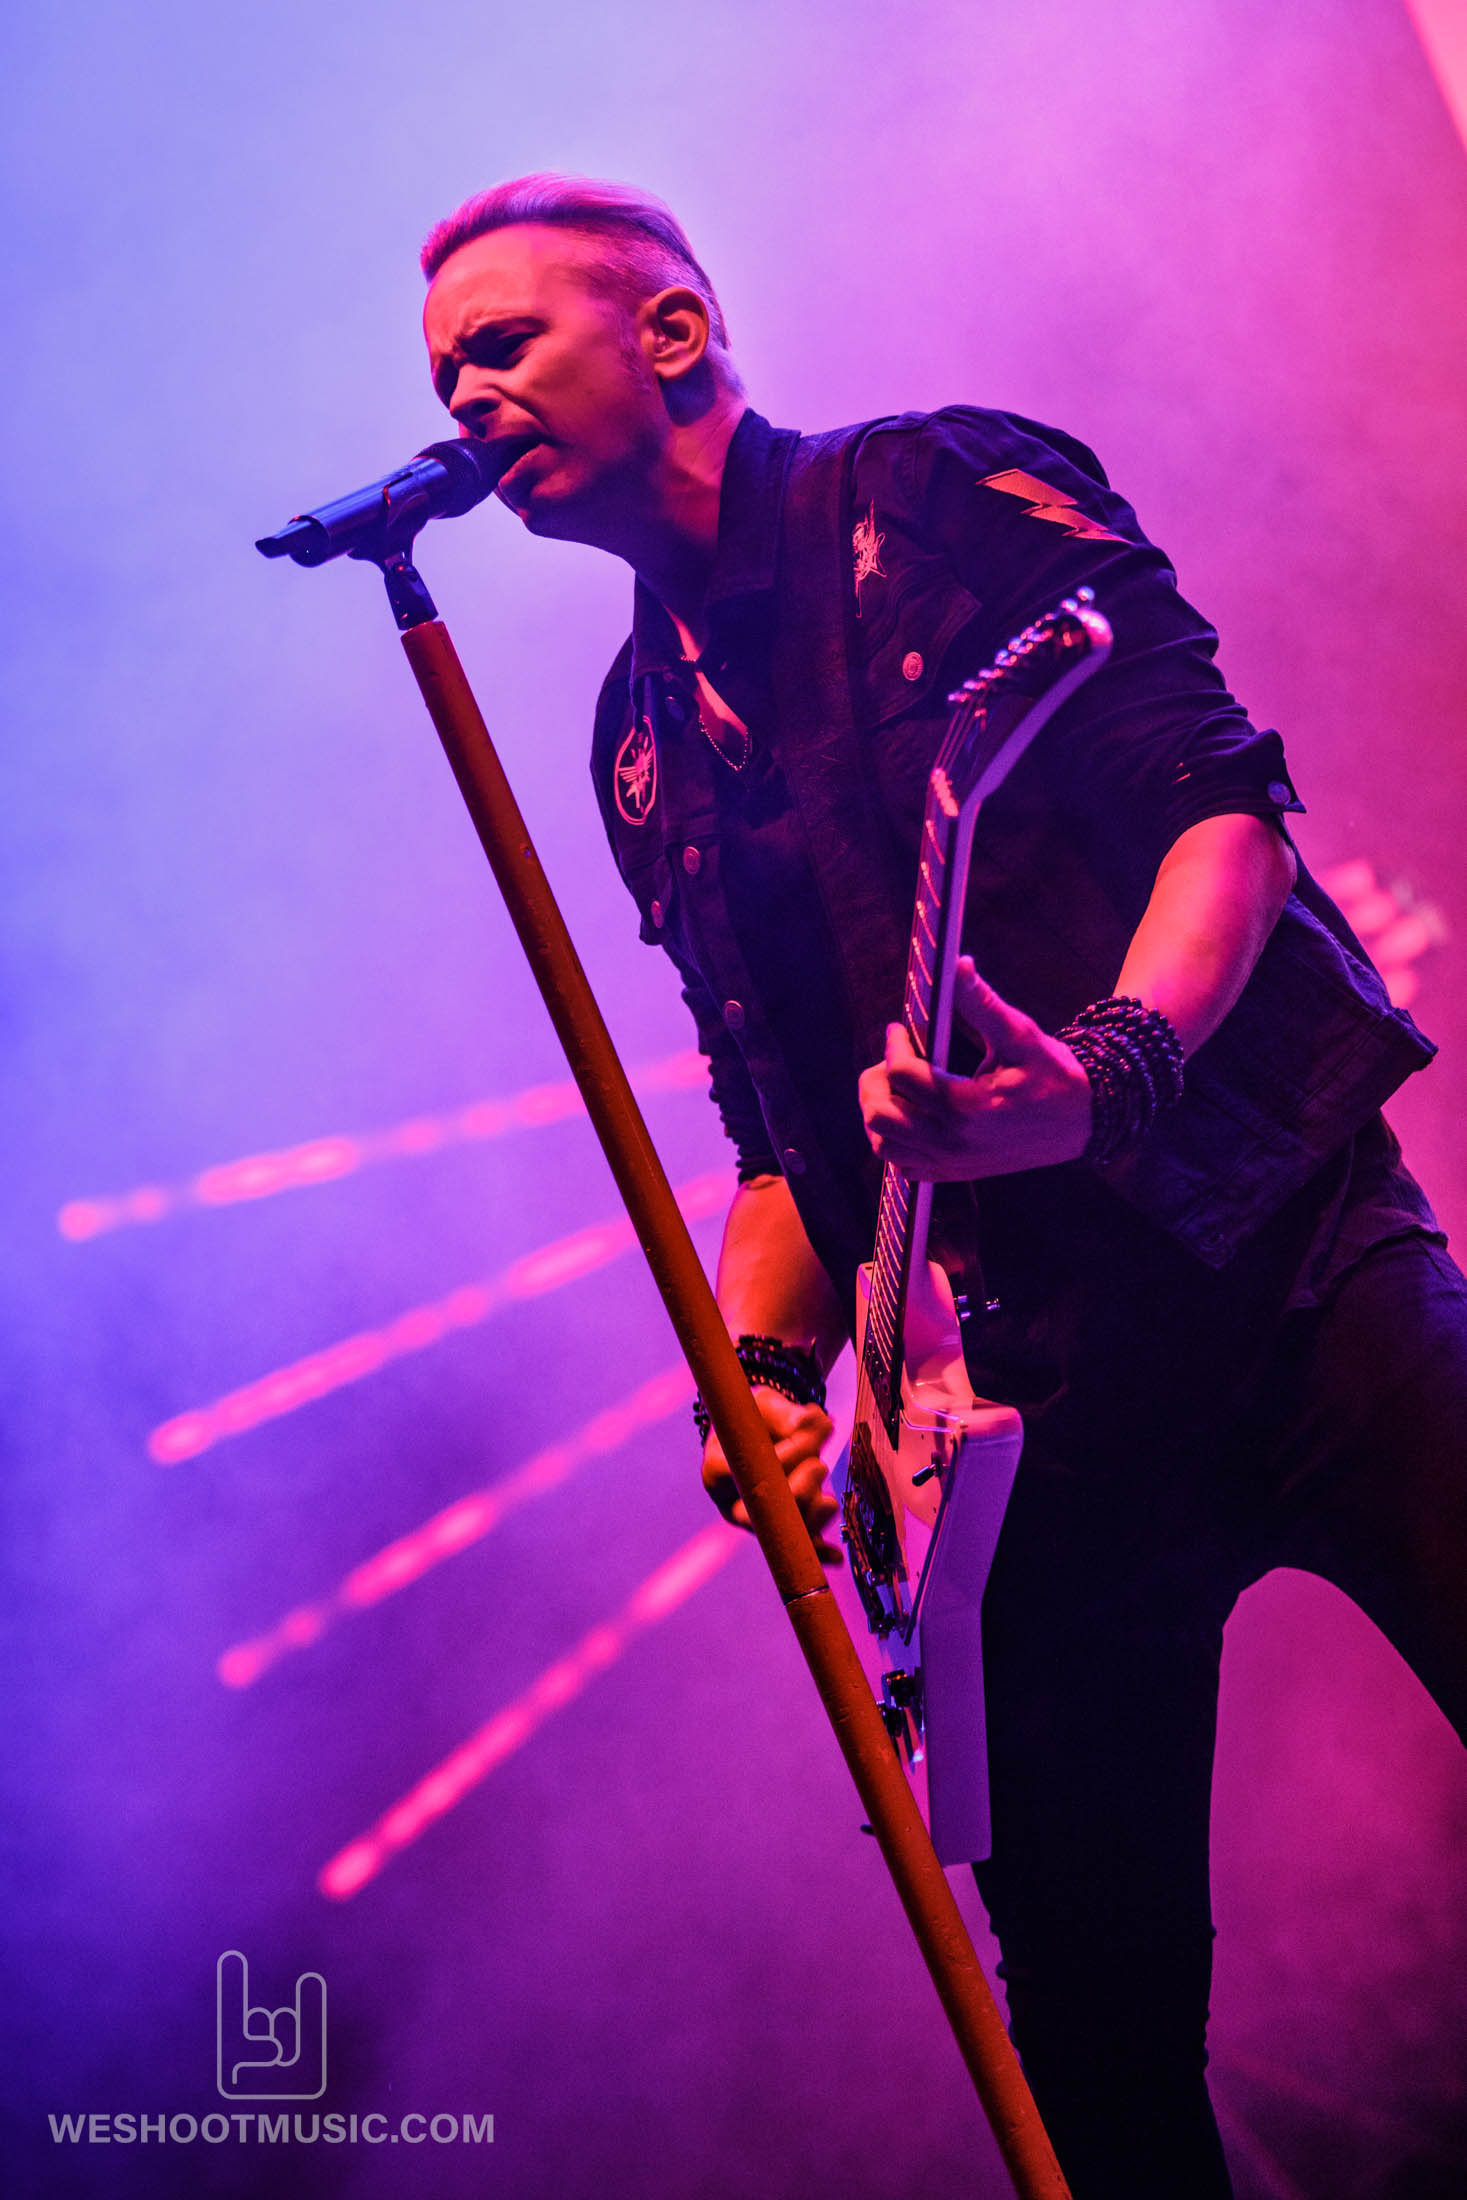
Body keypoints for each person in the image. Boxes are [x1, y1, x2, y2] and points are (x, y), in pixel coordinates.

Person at [420, 173, 1467, 2197]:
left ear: (669, 332)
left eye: (502, 344)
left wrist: (1110, 1071)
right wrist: (757, 1369)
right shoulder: (639, 746)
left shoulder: (941, 497)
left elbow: (1222, 815)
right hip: (1033, 1412)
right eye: (439, 375)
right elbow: (780, 1146)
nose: (462, 401)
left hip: (1284, 1270)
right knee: (1089, 2048)